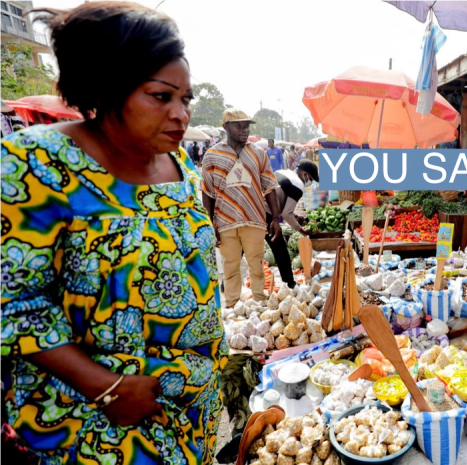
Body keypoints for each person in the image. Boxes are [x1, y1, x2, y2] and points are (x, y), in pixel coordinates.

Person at [0, 3, 224, 464]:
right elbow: (15, 304)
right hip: (96, 423)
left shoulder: (181, 168)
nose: (180, 114)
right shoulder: (36, 164)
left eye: (186, 100)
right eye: (161, 97)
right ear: (109, 87)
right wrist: (108, 389)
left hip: (188, 415)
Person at [202, 109, 281, 306]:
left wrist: (276, 219)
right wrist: (209, 222)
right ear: (225, 127)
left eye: (246, 126)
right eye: (238, 125)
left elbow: (270, 187)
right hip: (224, 220)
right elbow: (207, 192)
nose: (244, 130)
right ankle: (232, 306)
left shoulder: (258, 153)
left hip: (254, 217)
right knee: (230, 268)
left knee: (256, 264)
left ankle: (260, 304)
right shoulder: (212, 156)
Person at [268, 160, 319, 286]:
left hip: (257, 208)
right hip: (266, 213)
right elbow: (286, 214)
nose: (309, 182)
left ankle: (228, 281)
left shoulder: (283, 171)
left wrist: (293, 216)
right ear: (304, 174)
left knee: (245, 245)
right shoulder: (298, 185)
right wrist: (301, 230)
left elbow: (281, 200)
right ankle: (290, 283)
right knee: (281, 249)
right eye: (311, 179)